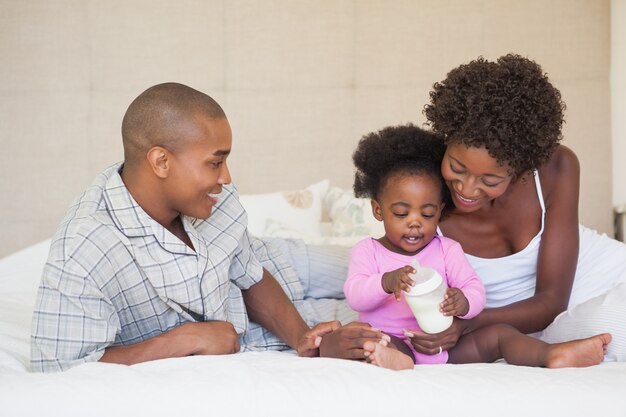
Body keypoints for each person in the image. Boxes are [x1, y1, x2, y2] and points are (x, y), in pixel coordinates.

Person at [30, 82, 387, 372]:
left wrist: (301, 338)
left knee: (405, 261)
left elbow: (251, 273)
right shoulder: (86, 245)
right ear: (161, 161)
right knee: (396, 317)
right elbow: (60, 367)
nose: (226, 178)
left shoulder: (214, 195)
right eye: (215, 163)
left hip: (281, 269)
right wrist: (185, 340)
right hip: (257, 329)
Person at [399, 53, 626, 361]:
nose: (466, 189)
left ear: (521, 168)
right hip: (528, 326)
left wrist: (467, 323)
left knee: (612, 324)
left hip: (596, 282)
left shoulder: (557, 167)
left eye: (490, 180)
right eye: (457, 166)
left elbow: (551, 302)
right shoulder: (420, 189)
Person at [343, 124, 610, 370]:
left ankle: (550, 355)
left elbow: (474, 288)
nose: (415, 223)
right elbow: (355, 295)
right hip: (397, 337)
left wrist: (464, 303)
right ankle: (398, 359)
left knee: (501, 335)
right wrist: (387, 282)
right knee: (371, 339)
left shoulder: (446, 248)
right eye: (402, 214)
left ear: (439, 211)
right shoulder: (368, 250)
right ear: (378, 210)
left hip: (446, 344)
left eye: (427, 214)